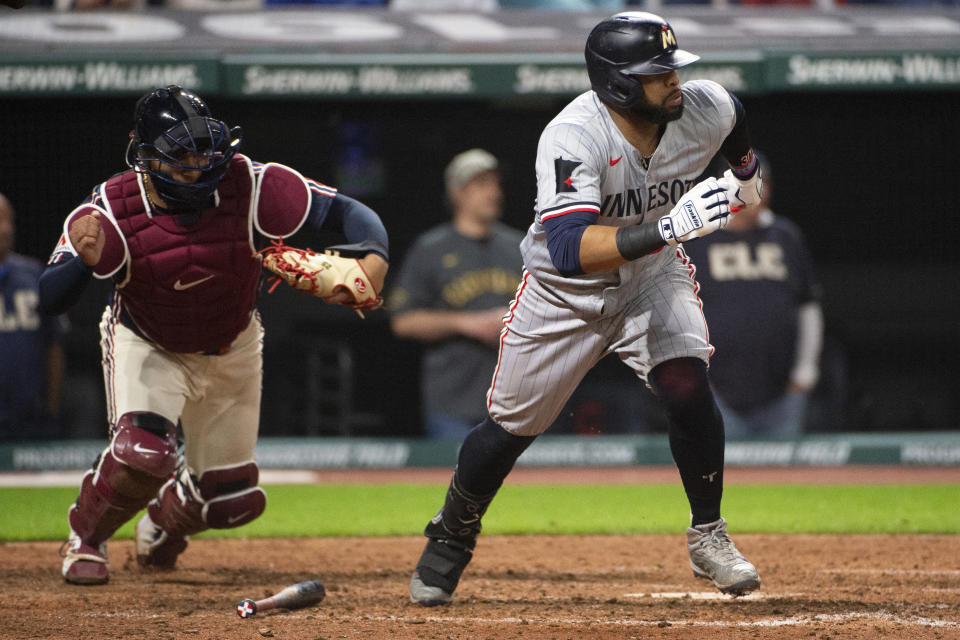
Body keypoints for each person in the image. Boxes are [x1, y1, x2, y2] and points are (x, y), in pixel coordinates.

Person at [408, 11, 764, 606]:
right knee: (510, 430)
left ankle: (709, 534)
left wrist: (746, 173)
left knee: (685, 383)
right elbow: (571, 250)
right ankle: (453, 531)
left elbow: (735, 120)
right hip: (562, 295)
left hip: (651, 278)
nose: (674, 81)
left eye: (674, 67)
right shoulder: (574, 135)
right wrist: (672, 225)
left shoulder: (703, 107)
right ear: (620, 83)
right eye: (658, 73)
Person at [39, 85, 389, 585]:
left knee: (234, 499)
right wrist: (80, 265)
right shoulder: (111, 209)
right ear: (148, 159)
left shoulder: (251, 184)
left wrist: (373, 258)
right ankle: (86, 539)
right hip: (150, 342)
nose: (200, 165)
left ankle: (162, 520)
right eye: (183, 156)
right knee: (144, 454)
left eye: (206, 150)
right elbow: (50, 298)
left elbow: (350, 213)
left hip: (233, 344)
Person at [681, 154, 823, 440]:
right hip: (714, 391)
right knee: (720, 479)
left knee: (786, 483)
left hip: (784, 392)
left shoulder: (786, 236)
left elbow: (808, 307)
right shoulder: (697, 238)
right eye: (748, 183)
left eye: (763, 183)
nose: (760, 192)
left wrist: (805, 369)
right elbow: (678, 313)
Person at [388, 149, 524, 439]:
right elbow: (403, 321)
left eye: (495, 184)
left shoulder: (520, 247)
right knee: (460, 480)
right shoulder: (430, 249)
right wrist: (470, 324)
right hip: (452, 401)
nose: (493, 193)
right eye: (482, 185)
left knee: (522, 483)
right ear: (457, 193)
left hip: (517, 398)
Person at [0, 193, 68, 439]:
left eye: (10, 221)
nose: (7, 229)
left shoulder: (33, 275)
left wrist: (51, 410)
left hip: (31, 417)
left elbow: (55, 346)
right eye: (0, 221)